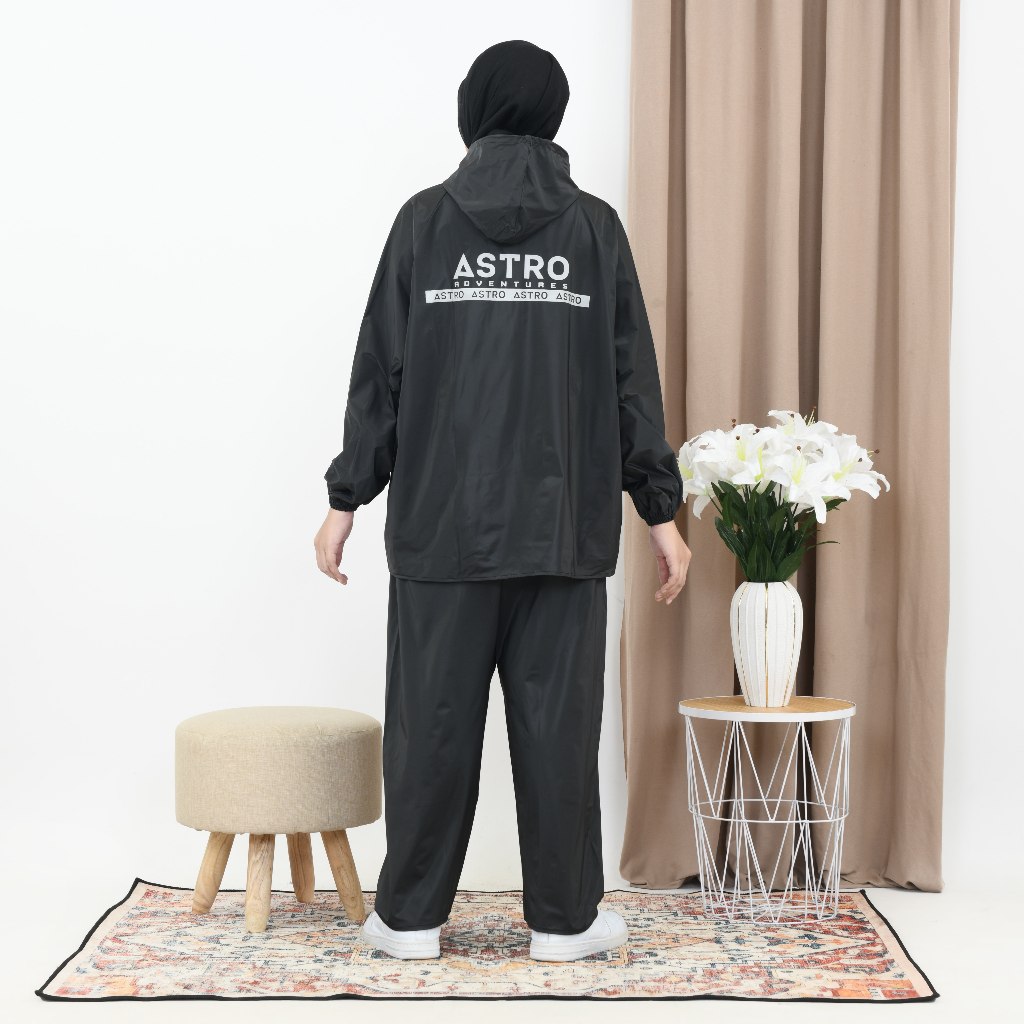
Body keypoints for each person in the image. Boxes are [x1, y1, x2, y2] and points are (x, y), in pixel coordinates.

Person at [314, 39, 691, 962]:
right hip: (562, 534)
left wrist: (346, 498)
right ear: (552, 112)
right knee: (558, 736)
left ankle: (409, 921)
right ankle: (564, 924)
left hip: (441, 533)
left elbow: (380, 372)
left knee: (432, 732)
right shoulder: (594, 230)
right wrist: (660, 512)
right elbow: (632, 382)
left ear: (472, 108)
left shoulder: (423, 223)